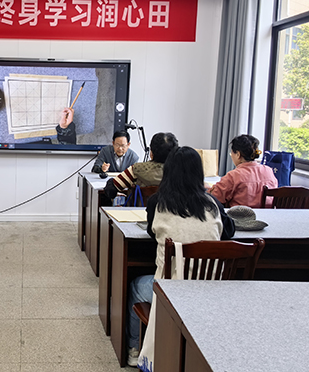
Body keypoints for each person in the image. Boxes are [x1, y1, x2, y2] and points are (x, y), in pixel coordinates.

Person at [128, 146, 235, 369]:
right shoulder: (213, 204)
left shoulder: (157, 203)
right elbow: (229, 232)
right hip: (210, 290)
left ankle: (134, 349)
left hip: (171, 290)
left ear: (168, 172)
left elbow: (152, 233)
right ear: (199, 173)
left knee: (136, 285)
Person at [104, 132, 178, 201]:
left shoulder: (136, 169)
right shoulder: (179, 172)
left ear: (151, 153)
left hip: (141, 210)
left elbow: (111, 189)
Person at [210, 134, 278, 208]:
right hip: (267, 214)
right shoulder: (269, 171)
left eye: (231, 153)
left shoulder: (233, 176)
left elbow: (214, 198)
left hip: (240, 214)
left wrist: (208, 189)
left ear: (238, 154)